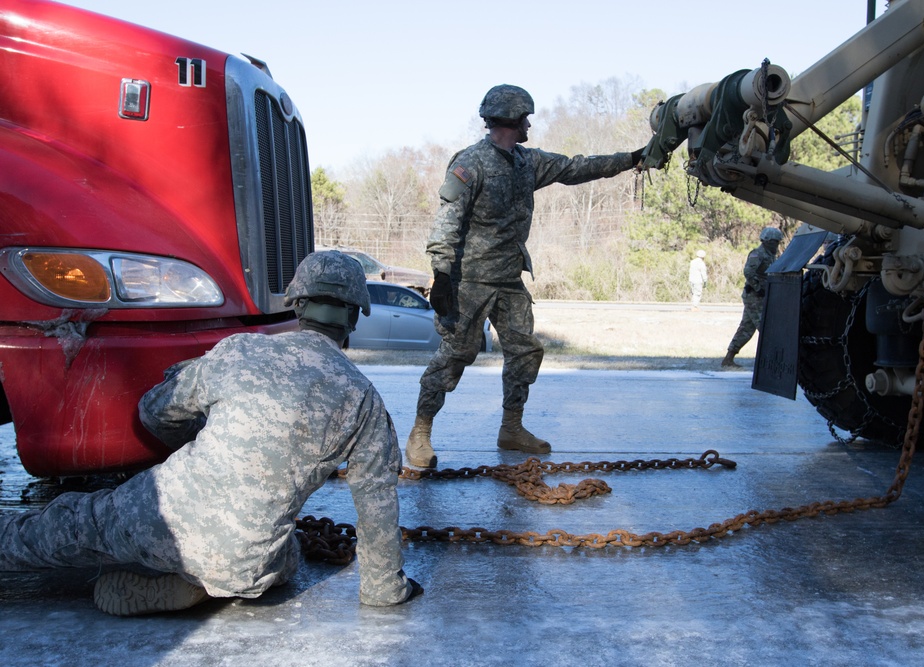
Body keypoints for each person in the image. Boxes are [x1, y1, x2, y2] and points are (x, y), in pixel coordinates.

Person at [0, 250, 421, 616]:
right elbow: (377, 510)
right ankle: (198, 585)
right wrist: (387, 590)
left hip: (156, 514)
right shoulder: (365, 402)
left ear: (297, 303)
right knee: (286, 553)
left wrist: (197, 440)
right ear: (354, 315)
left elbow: (155, 410)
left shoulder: (241, 350)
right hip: (243, 564)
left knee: (70, 523)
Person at [405, 84, 645, 468]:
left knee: (525, 351)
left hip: (508, 279)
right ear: (511, 119)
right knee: (456, 354)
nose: (529, 123)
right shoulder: (471, 163)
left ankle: (511, 428)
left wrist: (632, 158)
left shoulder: (526, 162)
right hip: (470, 281)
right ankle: (420, 432)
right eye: (525, 117)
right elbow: (447, 219)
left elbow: (576, 167)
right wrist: (442, 273)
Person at [721, 227, 783, 370]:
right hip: (755, 297)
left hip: (761, 296)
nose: (776, 245)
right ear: (766, 241)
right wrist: (758, 288)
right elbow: (748, 272)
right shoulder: (758, 254)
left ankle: (728, 358)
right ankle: (772, 360)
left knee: (746, 328)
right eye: (774, 242)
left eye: (777, 242)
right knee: (766, 327)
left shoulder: (770, 255)